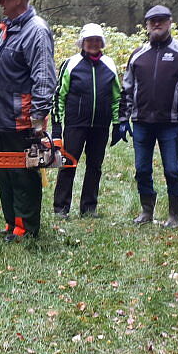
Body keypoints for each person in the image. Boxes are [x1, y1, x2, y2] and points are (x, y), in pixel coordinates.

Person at [0, 0, 56, 242]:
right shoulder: (8, 29)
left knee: (22, 174)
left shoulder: (36, 30)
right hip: (1, 117)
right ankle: (12, 223)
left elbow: (44, 77)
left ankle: (26, 228)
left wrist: (37, 119)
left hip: (22, 119)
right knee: (3, 172)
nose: (0, 2)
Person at [119, 6, 178, 228]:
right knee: (142, 169)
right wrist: (122, 118)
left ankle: (174, 215)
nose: (157, 24)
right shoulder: (137, 54)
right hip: (141, 122)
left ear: (170, 22)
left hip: (171, 123)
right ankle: (147, 211)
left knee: (172, 170)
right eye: (152, 21)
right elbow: (127, 87)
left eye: (161, 20)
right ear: (146, 25)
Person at [51, 23, 121, 219]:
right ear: (82, 42)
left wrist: (117, 124)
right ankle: (61, 207)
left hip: (101, 126)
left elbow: (117, 96)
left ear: (102, 43)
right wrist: (57, 127)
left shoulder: (109, 64)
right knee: (68, 164)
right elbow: (58, 96)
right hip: (75, 124)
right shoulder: (71, 63)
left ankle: (89, 208)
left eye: (97, 40)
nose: (93, 44)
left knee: (95, 166)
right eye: (89, 40)